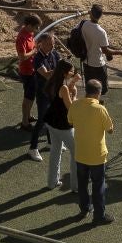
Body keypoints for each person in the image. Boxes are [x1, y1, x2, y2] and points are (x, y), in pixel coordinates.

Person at [69, 77, 115, 225]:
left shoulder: (75, 105)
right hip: (97, 155)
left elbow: (70, 121)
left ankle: (84, 208)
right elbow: (110, 130)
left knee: (82, 184)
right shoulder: (101, 109)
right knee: (98, 186)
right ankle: (99, 215)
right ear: (98, 93)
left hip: (80, 153)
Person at [26, 29, 65, 161]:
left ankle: (51, 142)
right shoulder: (37, 58)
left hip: (52, 92)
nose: (53, 46)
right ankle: (33, 148)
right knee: (42, 121)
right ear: (41, 43)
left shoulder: (54, 53)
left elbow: (62, 66)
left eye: (53, 43)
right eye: (50, 44)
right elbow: (47, 74)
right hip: (43, 94)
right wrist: (61, 70)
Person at [39, 60, 76, 191]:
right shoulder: (64, 87)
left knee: (56, 150)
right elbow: (71, 108)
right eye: (71, 71)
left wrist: (72, 85)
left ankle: (52, 181)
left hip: (51, 121)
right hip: (62, 124)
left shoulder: (53, 81)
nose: (73, 72)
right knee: (76, 152)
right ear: (65, 73)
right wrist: (75, 94)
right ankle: (76, 186)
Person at [72, 5, 113, 95]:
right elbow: (105, 50)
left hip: (86, 61)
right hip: (98, 64)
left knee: (89, 89)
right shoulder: (101, 32)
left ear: (91, 13)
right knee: (102, 90)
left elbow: (74, 31)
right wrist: (120, 52)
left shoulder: (83, 24)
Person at [14, 14, 41, 131]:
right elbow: (22, 57)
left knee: (31, 96)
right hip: (26, 72)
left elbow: (32, 46)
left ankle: (28, 116)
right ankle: (25, 122)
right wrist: (34, 51)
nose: (37, 30)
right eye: (35, 27)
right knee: (28, 98)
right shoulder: (21, 38)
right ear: (29, 25)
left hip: (32, 69)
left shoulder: (30, 33)